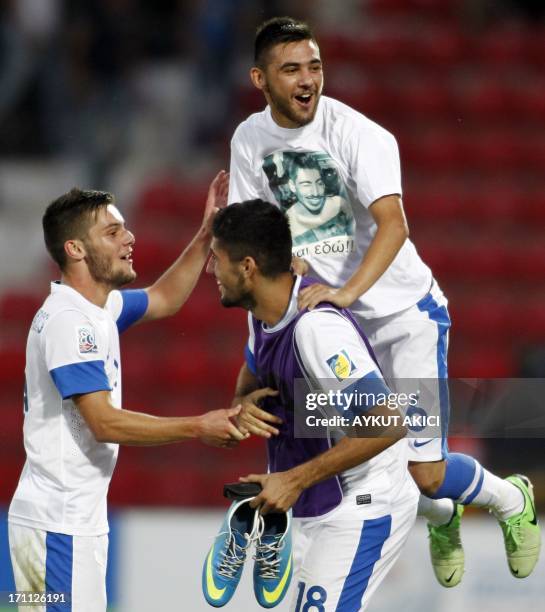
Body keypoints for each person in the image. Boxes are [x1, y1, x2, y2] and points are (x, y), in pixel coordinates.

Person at [227, 16, 541, 587]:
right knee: (367, 462)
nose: (307, 80)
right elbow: (253, 237)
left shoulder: (359, 134)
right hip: (336, 329)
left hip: (401, 318)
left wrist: (345, 290)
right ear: (260, 79)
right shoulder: (250, 139)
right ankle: (444, 510)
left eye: (315, 66)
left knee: (423, 470)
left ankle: (508, 499)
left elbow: (393, 225)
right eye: (291, 69)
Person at [8, 172, 246, 611]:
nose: (130, 238)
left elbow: (164, 298)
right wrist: (197, 425)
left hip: (68, 521)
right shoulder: (70, 323)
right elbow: (103, 422)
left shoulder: (98, 308)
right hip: (59, 527)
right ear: (75, 249)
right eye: (112, 231)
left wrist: (204, 234)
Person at [208, 199, 419, 611]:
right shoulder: (264, 312)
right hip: (314, 502)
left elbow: (389, 422)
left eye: (216, 260)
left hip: (362, 502)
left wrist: (292, 480)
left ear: (247, 266)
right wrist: (241, 402)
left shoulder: (317, 331)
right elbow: (251, 371)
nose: (212, 272)